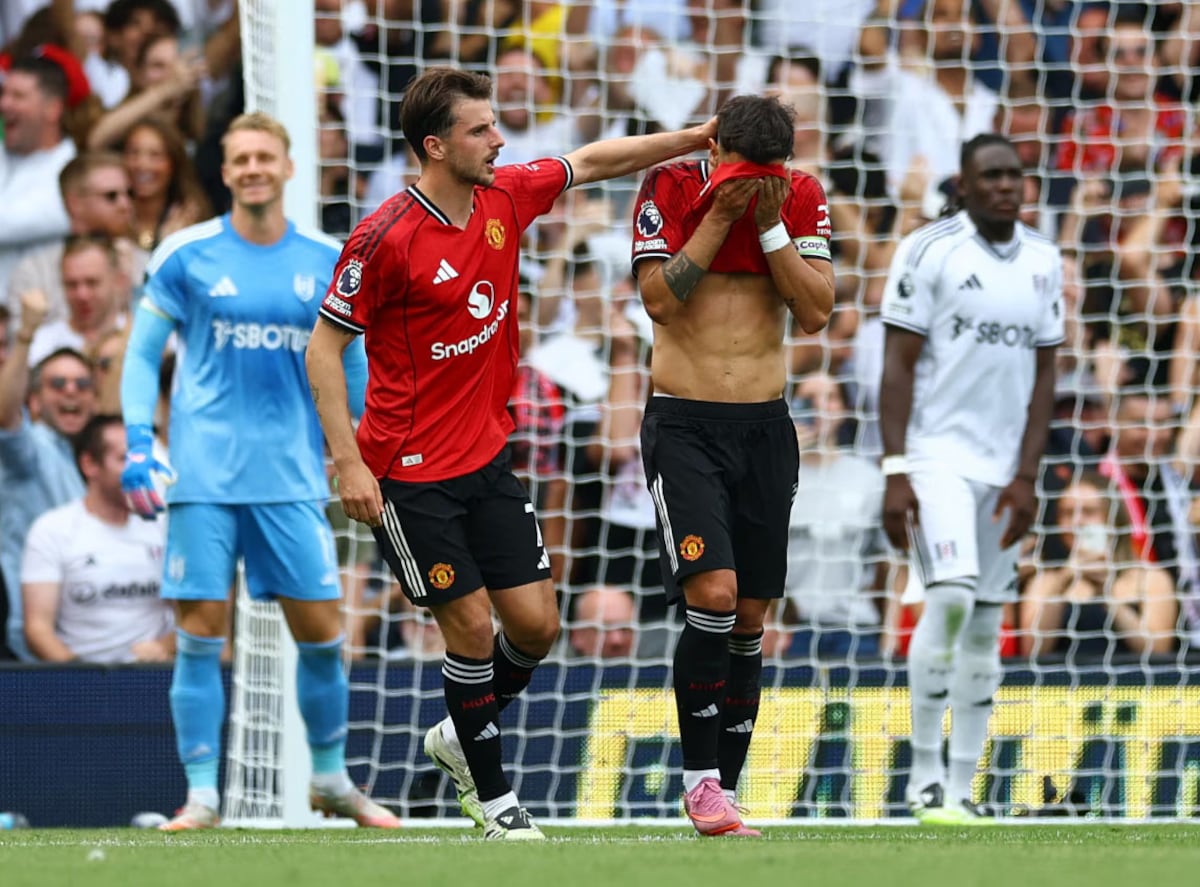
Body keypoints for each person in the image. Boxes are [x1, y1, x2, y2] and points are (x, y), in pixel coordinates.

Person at [304, 66, 719, 841]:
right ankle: (497, 805)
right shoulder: (384, 235)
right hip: (406, 471)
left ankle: (459, 733)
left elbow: (592, 160)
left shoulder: (506, 196)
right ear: (434, 145)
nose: (499, 140)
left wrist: (696, 137)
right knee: (465, 628)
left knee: (534, 628)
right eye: (480, 129)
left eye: (496, 126)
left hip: (489, 460)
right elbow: (324, 349)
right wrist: (347, 461)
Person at [118, 111, 386, 831]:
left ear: (289, 166)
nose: (253, 169)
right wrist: (140, 440)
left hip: (294, 479)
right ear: (227, 170)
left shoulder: (328, 257)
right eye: (240, 159)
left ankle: (329, 779)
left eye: (265, 156)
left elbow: (352, 357)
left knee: (324, 636)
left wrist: (355, 447)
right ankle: (202, 794)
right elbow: (142, 354)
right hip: (203, 479)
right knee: (200, 635)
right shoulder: (186, 254)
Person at [629, 93, 834, 836]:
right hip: (684, 423)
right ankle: (699, 780)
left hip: (765, 428)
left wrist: (770, 217)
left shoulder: (799, 196)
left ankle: (725, 791)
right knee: (712, 593)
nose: (758, 184)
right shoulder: (672, 189)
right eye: (746, 173)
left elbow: (815, 312)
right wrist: (721, 213)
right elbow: (659, 300)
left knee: (750, 612)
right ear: (716, 152)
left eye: (769, 174)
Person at [878, 133, 1063, 825]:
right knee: (950, 597)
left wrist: (1026, 474)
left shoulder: (1045, 260)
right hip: (935, 457)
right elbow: (897, 364)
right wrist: (896, 469)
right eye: (991, 176)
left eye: (1014, 175)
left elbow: (1046, 373)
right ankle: (923, 777)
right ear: (964, 183)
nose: (1006, 186)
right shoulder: (930, 251)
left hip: (1002, 469)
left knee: (987, 622)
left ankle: (963, 788)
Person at [21, 413, 173, 663]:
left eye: (143, 460)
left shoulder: (163, 526)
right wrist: (86, 682)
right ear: (90, 464)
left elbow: (192, 611)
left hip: (153, 676)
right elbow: (37, 629)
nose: (139, 470)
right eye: (125, 459)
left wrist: (164, 647)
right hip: (79, 681)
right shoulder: (52, 530)